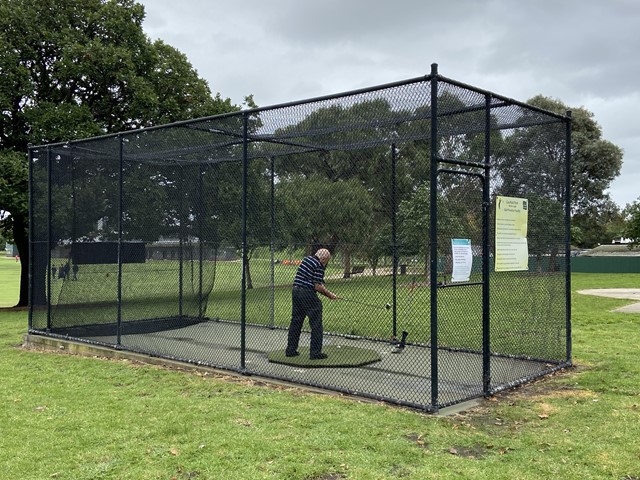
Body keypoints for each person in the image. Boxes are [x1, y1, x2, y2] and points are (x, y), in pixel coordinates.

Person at [285, 248, 338, 360]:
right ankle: (315, 353)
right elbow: (317, 286)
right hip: (307, 293)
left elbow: (312, 280)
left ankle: (290, 350)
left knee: (296, 321)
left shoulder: (306, 260)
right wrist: (330, 295)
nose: (326, 263)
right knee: (316, 323)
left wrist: (328, 293)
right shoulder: (319, 265)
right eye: (326, 261)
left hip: (296, 291)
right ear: (323, 259)